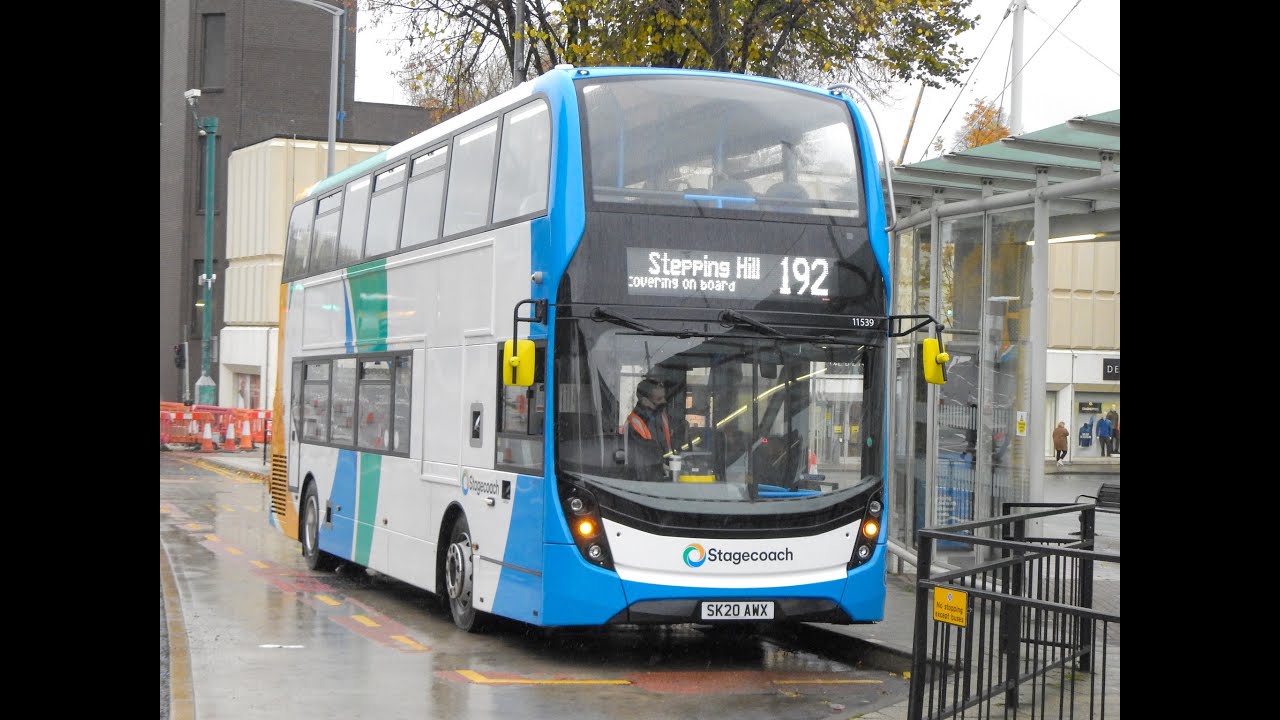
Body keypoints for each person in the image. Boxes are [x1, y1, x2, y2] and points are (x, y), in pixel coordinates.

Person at [626, 379, 676, 481]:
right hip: (645, 480)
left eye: (664, 397)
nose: (664, 401)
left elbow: (668, 444)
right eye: (659, 399)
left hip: (665, 474)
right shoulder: (634, 424)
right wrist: (660, 466)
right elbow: (640, 458)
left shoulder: (661, 416)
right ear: (645, 401)